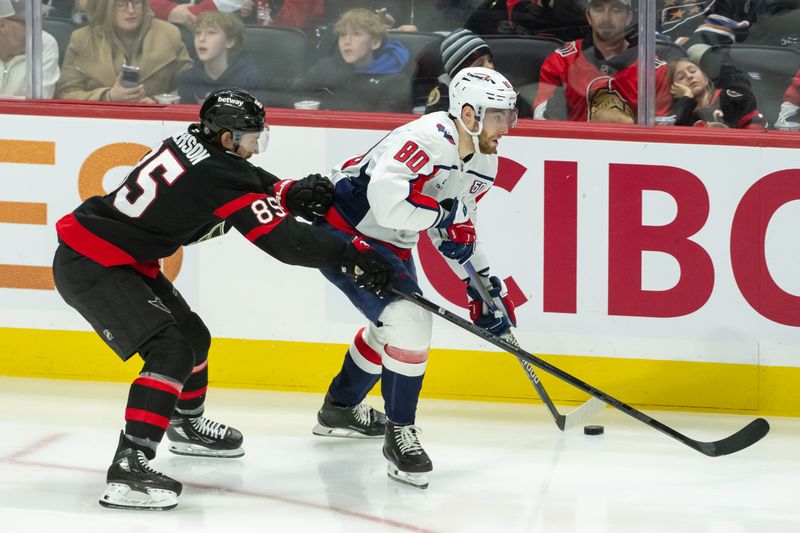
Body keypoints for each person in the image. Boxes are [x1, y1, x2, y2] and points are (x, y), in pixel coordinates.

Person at [52, 88, 394, 510]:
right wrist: (348, 253)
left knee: (193, 338)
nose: (256, 145)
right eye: (252, 137)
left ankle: (184, 423)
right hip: (93, 264)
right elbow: (285, 243)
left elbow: (237, 179)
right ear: (228, 138)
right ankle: (129, 465)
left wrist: (287, 190)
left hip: (118, 257)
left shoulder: (190, 142)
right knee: (170, 351)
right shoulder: (220, 175)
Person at [311, 67, 519, 489]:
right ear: (468, 113)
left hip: (392, 241)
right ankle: (399, 432)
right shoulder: (425, 139)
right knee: (410, 323)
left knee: (391, 328)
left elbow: (457, 231)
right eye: (498, 116)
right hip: (345, 231)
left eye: (509, 116)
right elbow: (389, 207)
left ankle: (340, 408)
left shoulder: (485, 161)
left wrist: (481, 286)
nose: (507, 127)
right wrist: (447, 214)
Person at [532, 0, 673, 123]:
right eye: (598, 8)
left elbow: (659, 133)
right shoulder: (561, 61)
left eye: (616, 9)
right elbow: (541, 120)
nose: (606, 18)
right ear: (588, 16)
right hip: (572, 150)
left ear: (628, 17)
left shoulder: (652, 69)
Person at [55, 0, 192, 102]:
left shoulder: (169, 34)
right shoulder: (82, 39)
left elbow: (190, 89)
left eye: (137, 2)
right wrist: (108, 96)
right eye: (121, 4)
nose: (131, 10)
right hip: (100, 124)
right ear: (106, 7)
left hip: (156, 123)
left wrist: (159, 102)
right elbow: (66, 94)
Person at [296, 8, 412, 112]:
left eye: (356, 34)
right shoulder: (324, 68)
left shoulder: (395, 82)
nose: (347, 41)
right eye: (342, 35)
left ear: (375, 43)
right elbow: (292, 97)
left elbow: (383, 127)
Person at [178, 11, 268, 104]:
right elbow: (185, 116)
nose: (201, 38)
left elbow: (257, 116)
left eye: (211, 32)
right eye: (197, 33)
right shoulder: (188, 77)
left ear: (229, 42)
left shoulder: (250, 77)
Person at [669, 57, 768, 128]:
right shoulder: (682, 113)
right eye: (681, 77)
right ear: (674, 88)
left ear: (705, 78)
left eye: (693, 71)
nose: (689, 76)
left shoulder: (728, 98)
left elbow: (755, 128)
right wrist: (687, 97)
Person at [424, 28, 493, 114]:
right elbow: (435, 124)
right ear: (460, 73)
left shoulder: (498, 89)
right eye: (479, 64)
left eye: (489, 61)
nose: (489, 67)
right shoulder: (444, 96)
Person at [0, 0, 60, 98]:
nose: (37, 29)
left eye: (39, 21)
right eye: (30, 22)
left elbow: (39, 103)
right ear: (2, 25)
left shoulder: (43, 43)